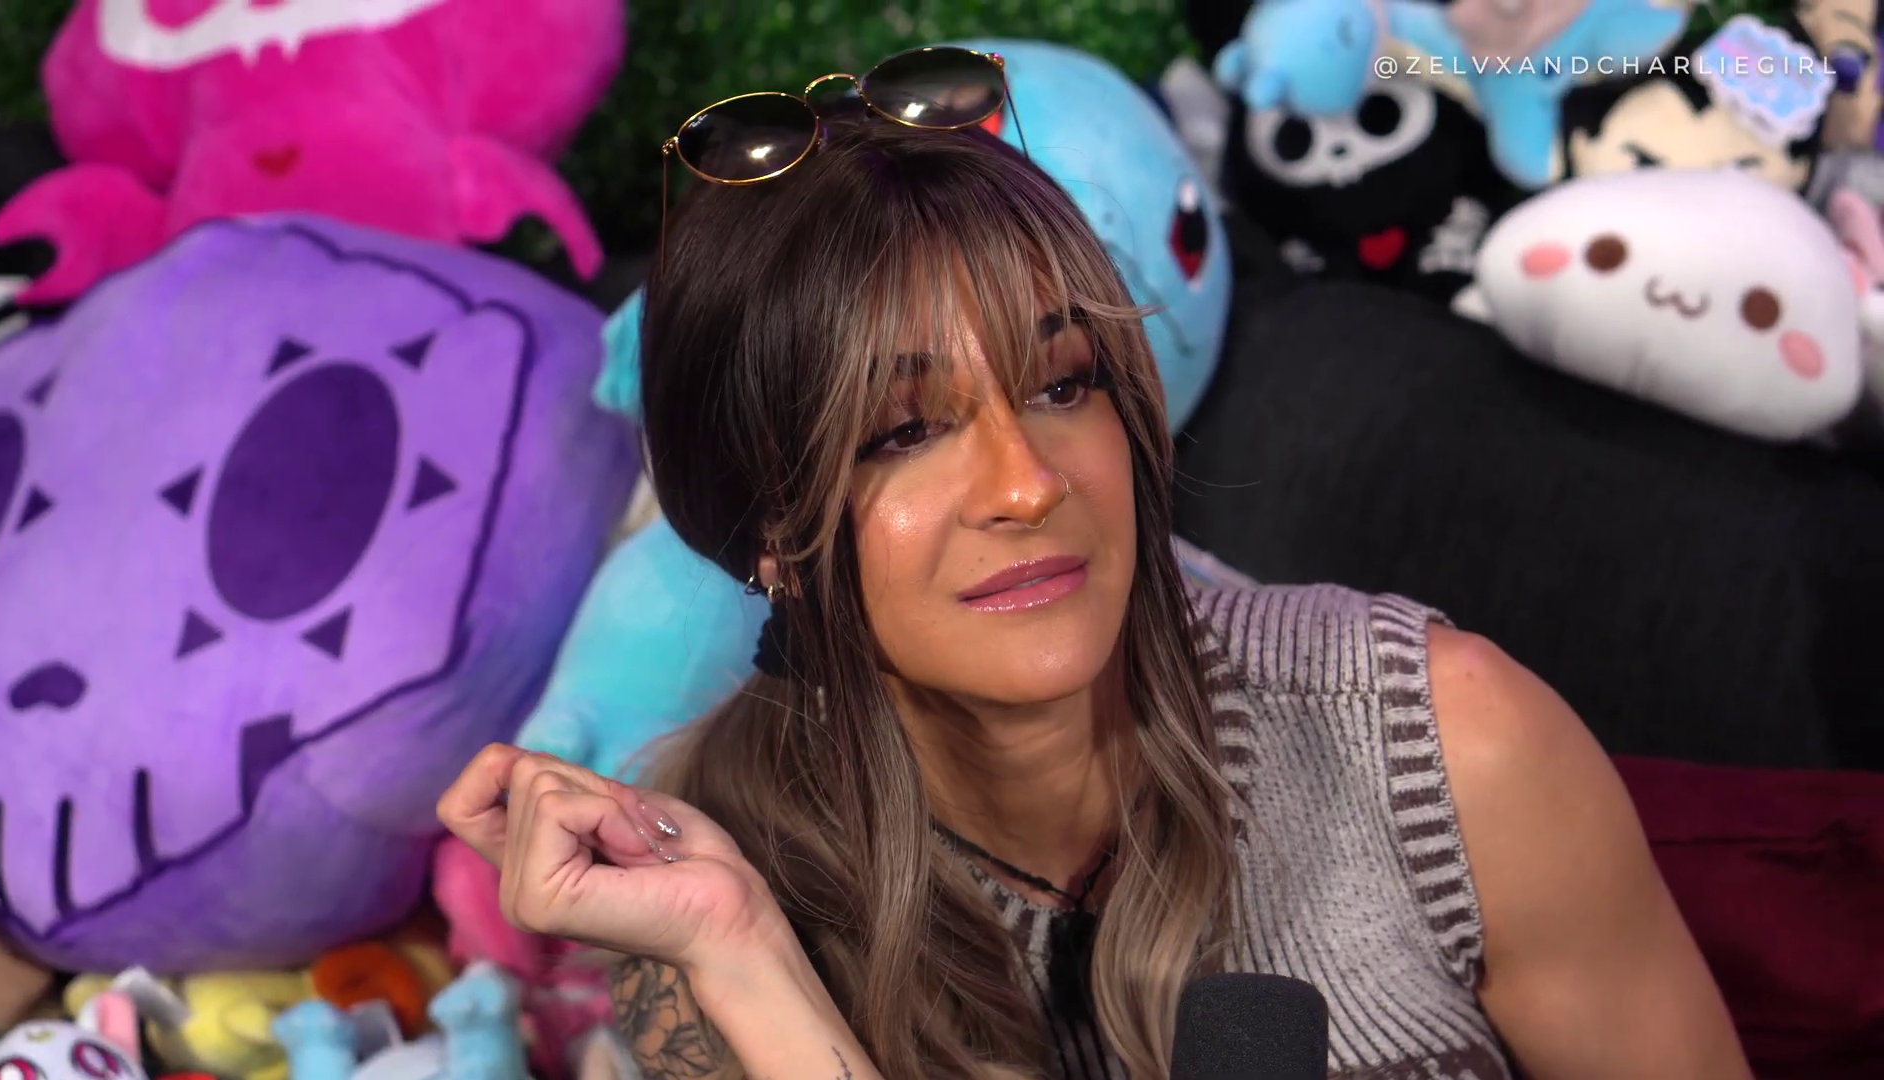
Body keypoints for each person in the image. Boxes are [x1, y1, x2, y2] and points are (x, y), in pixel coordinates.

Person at [437, 47, 1752, 1080]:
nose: (1025, 485)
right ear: (774, 526)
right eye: (903, 432)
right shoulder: (709, 893)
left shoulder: (1446, 745)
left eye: (1062, 384)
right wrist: (745, 960)